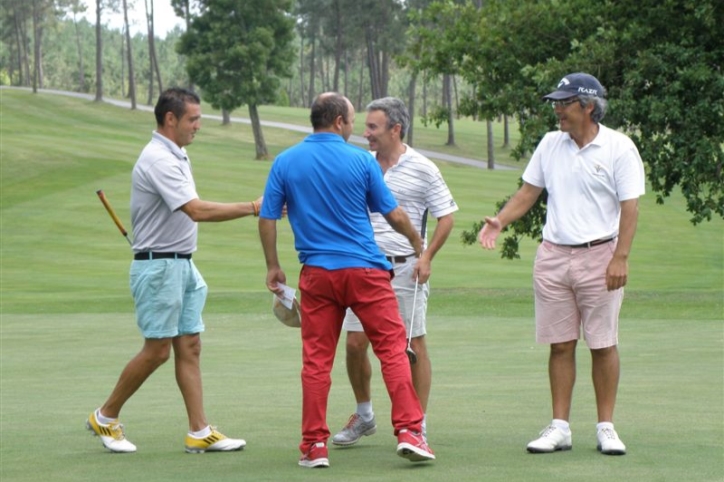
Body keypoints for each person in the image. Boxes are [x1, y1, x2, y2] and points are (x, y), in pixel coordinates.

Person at [258, 92, 436, 468]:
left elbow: (268, 218)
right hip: (366, 272)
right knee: (391, 349)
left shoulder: (285, 161)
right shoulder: (359, 160)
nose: (355, 128)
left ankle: (313, 446)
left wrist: (273, 265)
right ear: (338, 121)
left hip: (318, 276)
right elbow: (394, 214)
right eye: (353, 121)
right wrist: (418, 243)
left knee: (316, 361)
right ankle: (410, 431)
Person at [86, 87, 261, 454]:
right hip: (160, 266)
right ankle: (105, 416)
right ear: (170, 119)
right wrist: (252, 206)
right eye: (193, 119)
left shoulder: (176, 154)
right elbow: (196, 210)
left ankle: (199, 431)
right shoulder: (158, 159)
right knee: (158, 351)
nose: (198, 126)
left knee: (190, 346)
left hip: (181, 264)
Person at [478, 73, 645, 456]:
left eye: (564, 103)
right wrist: (501, 220)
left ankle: (606, 427)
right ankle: (560, 427)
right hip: (553, 256)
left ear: (587, 106)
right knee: (560, 345)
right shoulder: (551, 144)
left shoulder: (619, 147)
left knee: (603, 344)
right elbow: (528, 192)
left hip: (601, 254)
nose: (556, 109)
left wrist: (620, 257)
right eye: (555, 102)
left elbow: (630, 207)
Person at [331, 97, 457, 447]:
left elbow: (447, 216)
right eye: (366, 125)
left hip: (405, 269)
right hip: (362, 268)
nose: (365, 133)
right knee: (356, 344)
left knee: (411, 345)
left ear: (395, 129)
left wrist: (427, 256)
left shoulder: (423, 167)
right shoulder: (361, 163)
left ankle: (417, 424)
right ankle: (365, 414)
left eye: (373, 127)